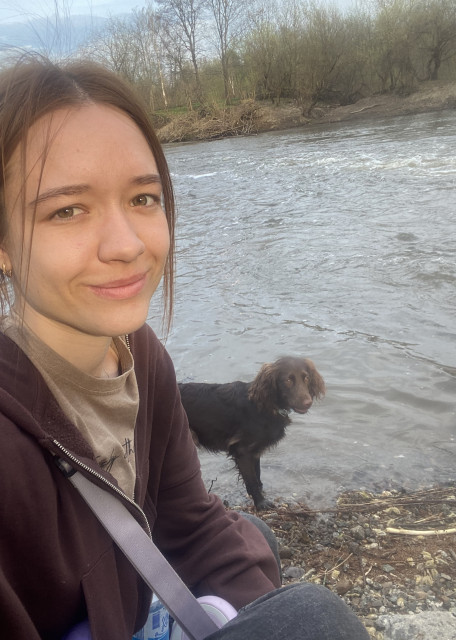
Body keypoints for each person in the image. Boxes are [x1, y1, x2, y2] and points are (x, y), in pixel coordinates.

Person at [0, 55, 369, 640]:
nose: (126, 245)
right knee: (314, 616)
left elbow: (191, 522)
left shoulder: (142, 355)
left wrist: (244, 617)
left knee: (254, 539)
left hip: (125, 597)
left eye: (143, 199)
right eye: (67, 210)